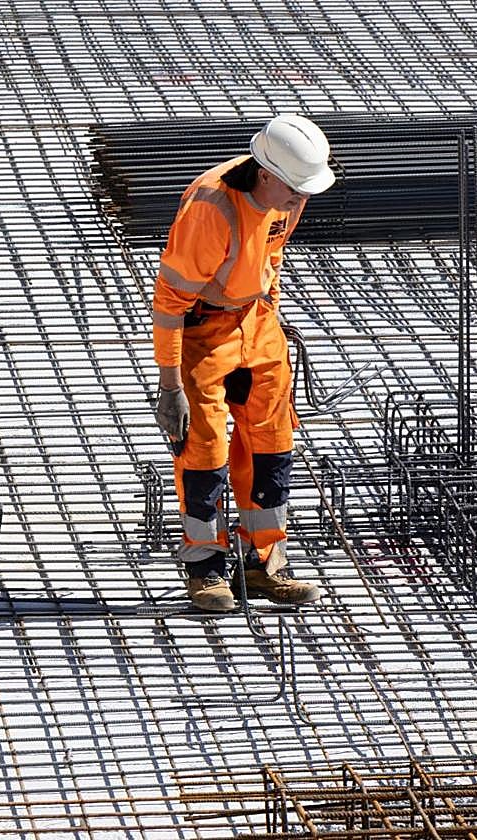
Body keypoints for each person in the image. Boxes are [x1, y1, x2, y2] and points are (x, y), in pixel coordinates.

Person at [152, 114, 335, 612]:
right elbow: (169, 304)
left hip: (256, 322)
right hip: (203, 331)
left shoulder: (286, 196)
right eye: (296, 189)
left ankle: (265, 564)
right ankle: (206, 569)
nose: (303, 200)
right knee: (204, 451)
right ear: (267, 174)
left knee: (271, 446)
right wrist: (170, 386)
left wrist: (268, 313)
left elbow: (273, 257)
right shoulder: (212, 213)